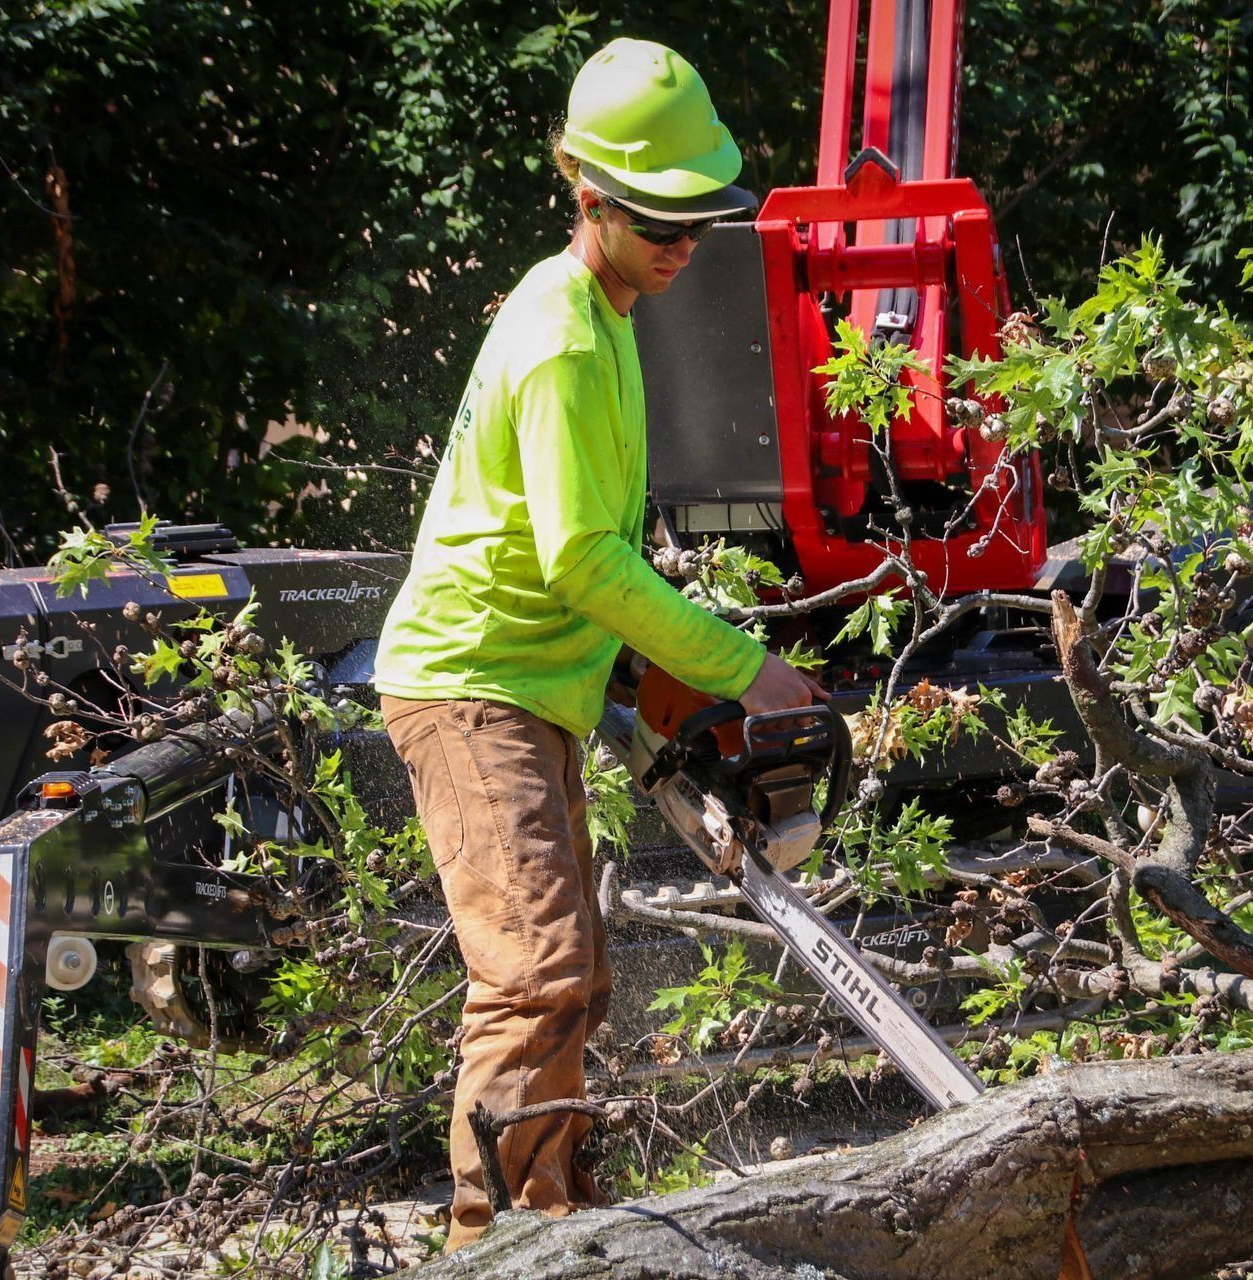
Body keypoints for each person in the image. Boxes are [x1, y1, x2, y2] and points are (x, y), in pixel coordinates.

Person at [374, 37, 823, 1251]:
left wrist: (651, 677)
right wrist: (740, 664)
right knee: (532, 970)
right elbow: (580, 559)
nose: (684, 247)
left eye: (699, 223)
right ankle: (499, 1248)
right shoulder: (569, 334)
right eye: (661, 223)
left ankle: (559, 1223)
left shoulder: (602, 306)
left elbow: (589, 537)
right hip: (474, 681)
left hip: (529, 681)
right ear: (589, 196)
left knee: (575, 976)